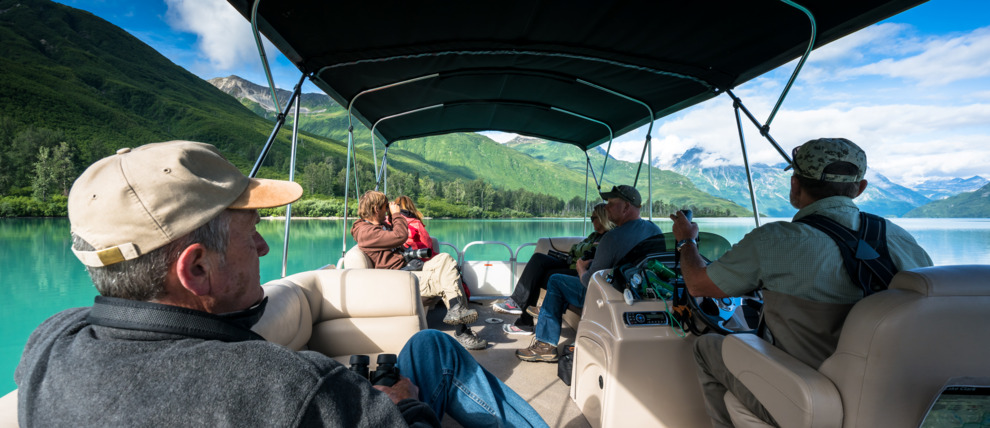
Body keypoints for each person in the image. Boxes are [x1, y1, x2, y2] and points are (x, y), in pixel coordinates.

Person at [15, 141, 547, 427]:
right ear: (195, 269)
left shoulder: (48, 345)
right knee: (431, 350)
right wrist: (401, 405)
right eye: (253, 233)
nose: (266, 249)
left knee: (428, 342)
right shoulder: (292, 387)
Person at [670, 138, 933, 427]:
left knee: (707, 346)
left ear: (795, 185)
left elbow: (697, 284)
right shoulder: (902, 240)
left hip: (809, 400)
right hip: (888, 401)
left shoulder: (775, 241)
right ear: (860, 188)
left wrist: (686, 240)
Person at [517, 185, 661, 362]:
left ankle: (545, 344)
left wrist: (581, 269)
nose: (606, 207)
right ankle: (547, 310)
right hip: (638, 293)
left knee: (556, 280)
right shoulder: (655, 230)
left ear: (625, 207)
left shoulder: (612, 238)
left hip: (608, 295)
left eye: (610, 203)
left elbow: (590, 282)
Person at [351, 191, 487, 350]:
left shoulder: (378, 226)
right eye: (384, 207)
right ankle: (462, 332)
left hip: (407, 273)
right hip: (396, 282)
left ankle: (457, 311)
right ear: (375, 209)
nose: (387, 210)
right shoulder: (366, 232)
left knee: (445, 260)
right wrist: (396, 214)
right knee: (447, 279)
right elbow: (401, 235)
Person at [495, 202, 614, 335]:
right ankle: (517, 303)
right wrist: (581, 249)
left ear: (602, 218)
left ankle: (524, 323)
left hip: (579, 271)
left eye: (593, 218)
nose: (592, 221)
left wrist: (580, 249)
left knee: (541, 276)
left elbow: (585, 252)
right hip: (572, 263)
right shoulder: (594, 236)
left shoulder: (608, 238)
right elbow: (576, 249)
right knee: (538, 259)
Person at [394, 195, 436, 261]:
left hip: (394, 259)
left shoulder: (387, 221)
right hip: (414, 259)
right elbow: (427, 244)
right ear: (411, 207)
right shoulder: (416, 223)